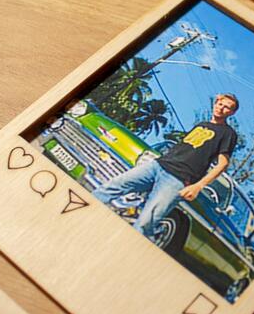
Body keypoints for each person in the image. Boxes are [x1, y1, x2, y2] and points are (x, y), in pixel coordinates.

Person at [93, 93, 239, 239]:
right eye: (220, 104)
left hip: (177, 180)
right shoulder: (201, 125)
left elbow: (223, 164)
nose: (221, 108)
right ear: (215, 103)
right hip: (157, 166)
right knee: (110, 187)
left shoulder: (228, 133)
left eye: (227, 107)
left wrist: (198, 186)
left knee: (145, 223)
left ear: (231, 113)